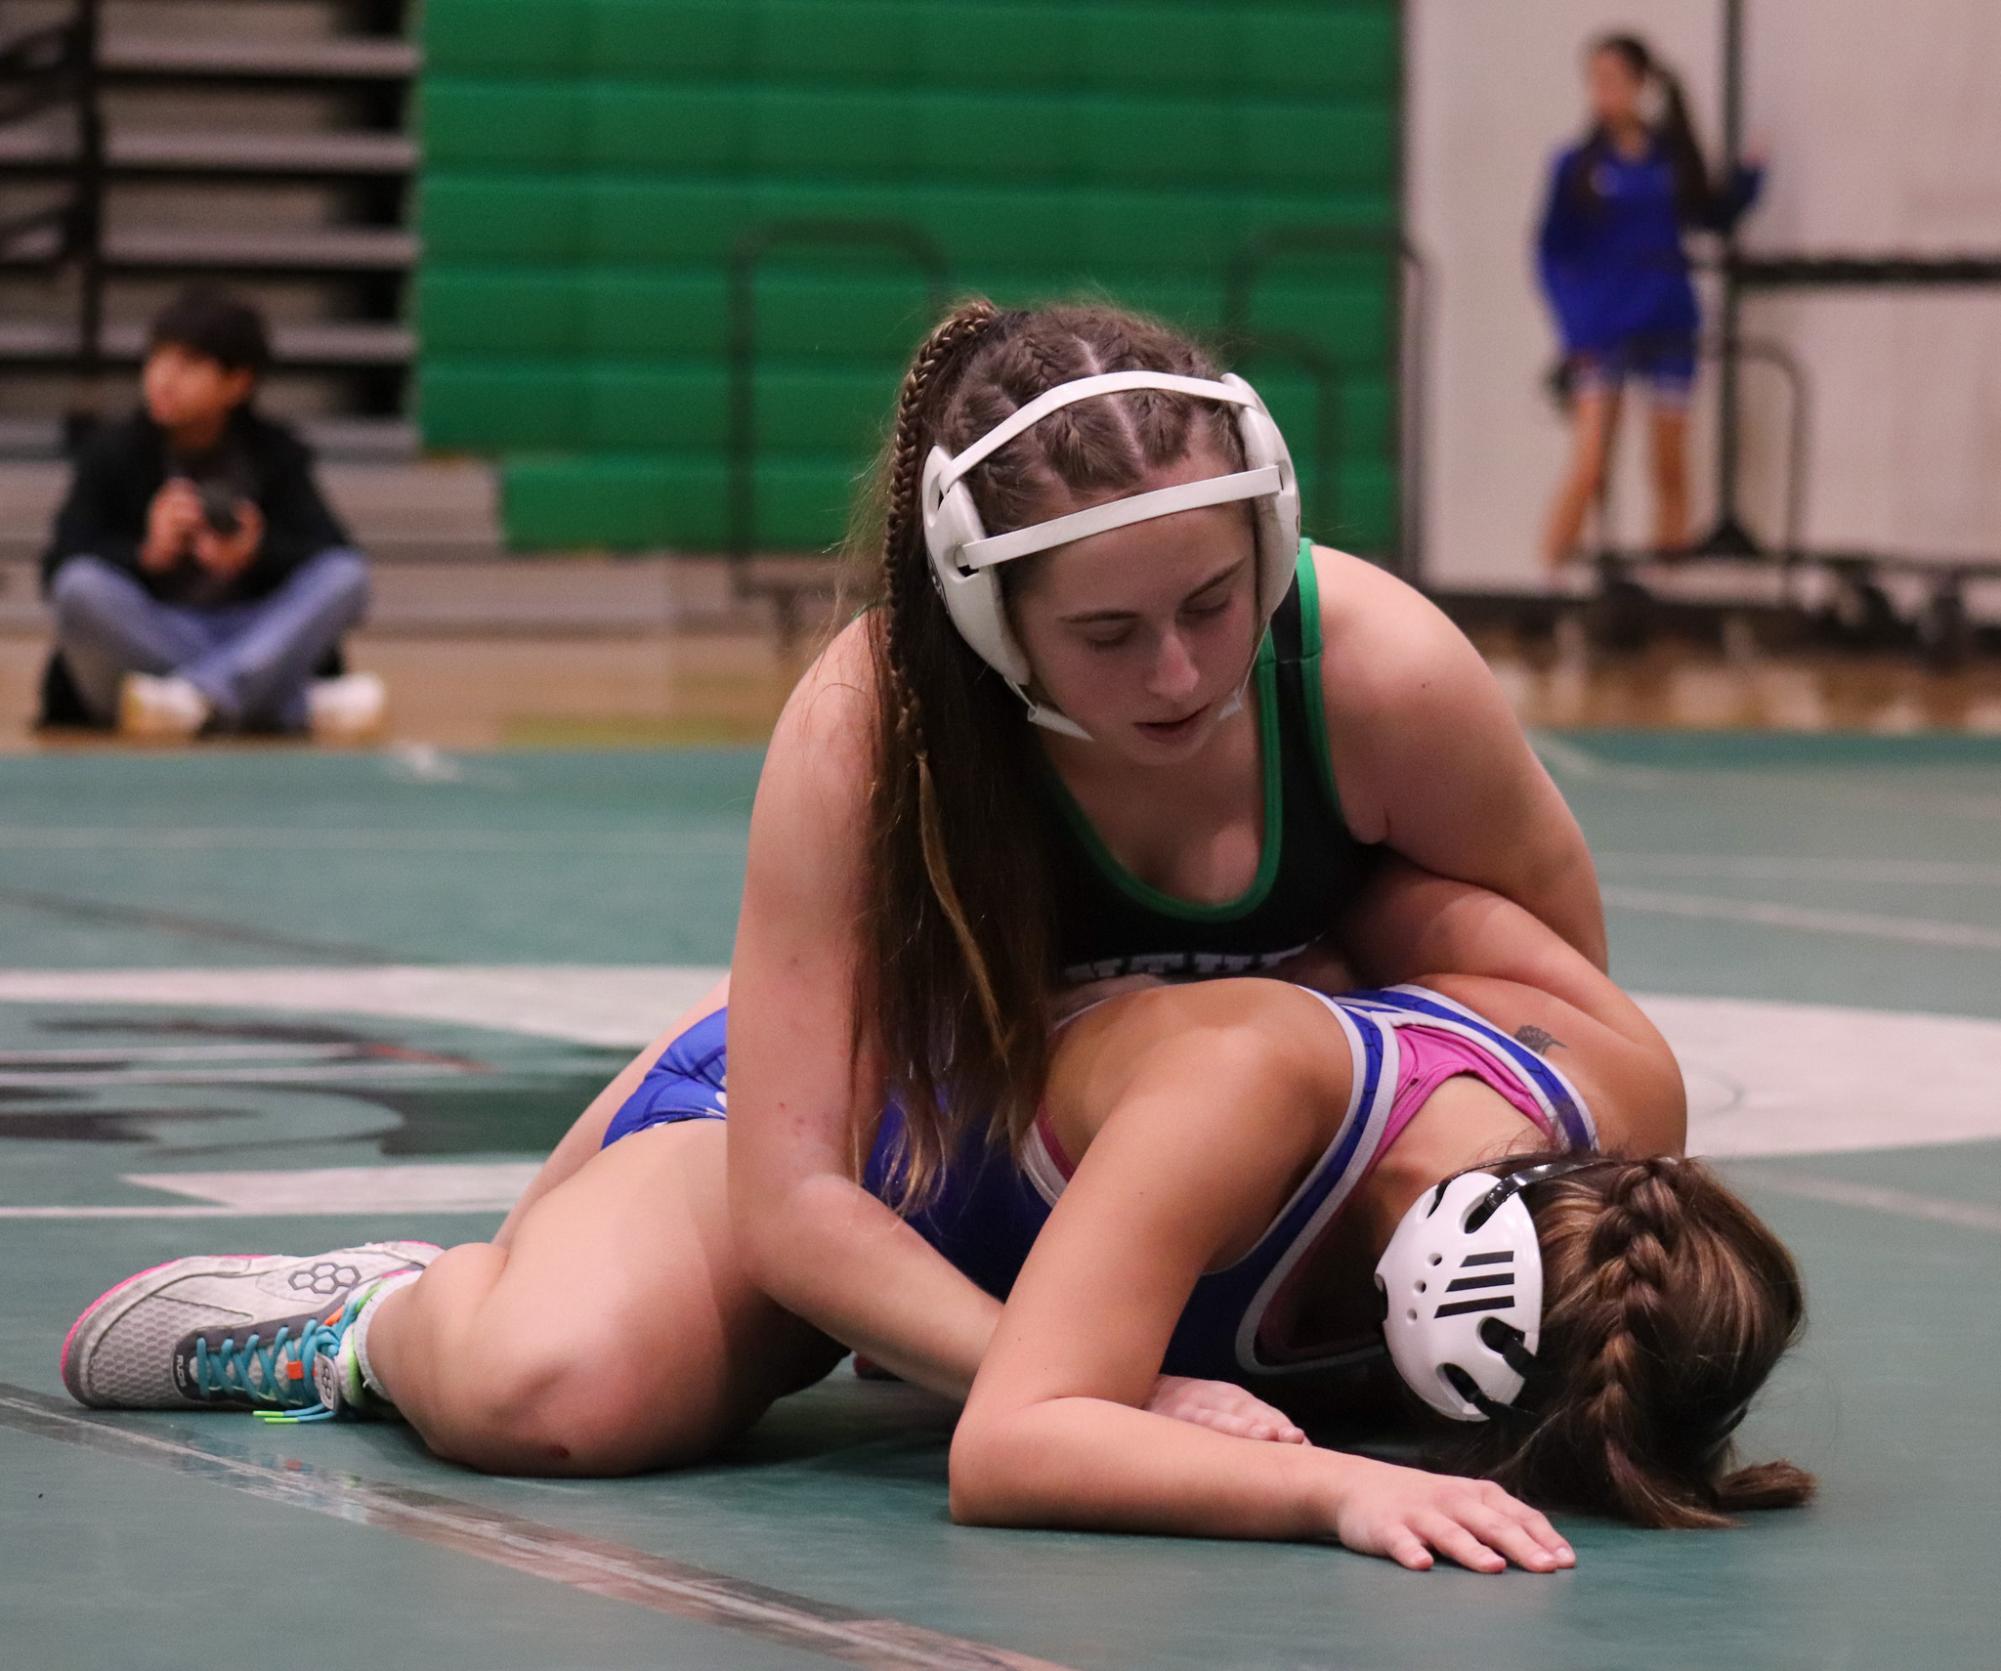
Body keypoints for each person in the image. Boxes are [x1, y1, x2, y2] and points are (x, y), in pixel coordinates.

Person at [62, 301, 1626, 1550]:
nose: (1178, 672)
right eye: (1106, 631)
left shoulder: (1371, 673)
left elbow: (1533, 1002)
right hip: (885, 1144)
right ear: (982, 607)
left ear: (1268, 535)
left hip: (1154, 1197)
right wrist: (1087, 1382)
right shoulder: (872, 727)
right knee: (561, 1392)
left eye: (1215, 601)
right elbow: (798, 1195)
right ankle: (374, 1320)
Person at [39, 286, 386, 740]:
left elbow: (330, 553)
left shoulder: (275, 454)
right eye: (157, 360)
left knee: (346, 575)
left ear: (237, 382)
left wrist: (253, 553)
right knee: (80, 587)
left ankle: (198, 700)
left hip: (248, 628)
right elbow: (59, 567)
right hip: (153, 632)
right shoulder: (113, 452)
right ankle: (284, 703)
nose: (163, 379)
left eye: (187, 365)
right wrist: (148, 554)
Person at [1536, 34, 1765, 568]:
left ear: (1641, 85)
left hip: (1668, 321)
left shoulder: (1671, 157)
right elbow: (1551, 253)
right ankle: (1549, 580)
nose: (1603, 93)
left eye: (1614, 80)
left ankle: (1665, 589)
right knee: (1591, 466)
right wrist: (1574, 331)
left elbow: (1711, 216)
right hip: (1604, 329)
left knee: (1669, 465)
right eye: (1595, 81)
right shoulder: (1576, 166)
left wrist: (1750, 176)